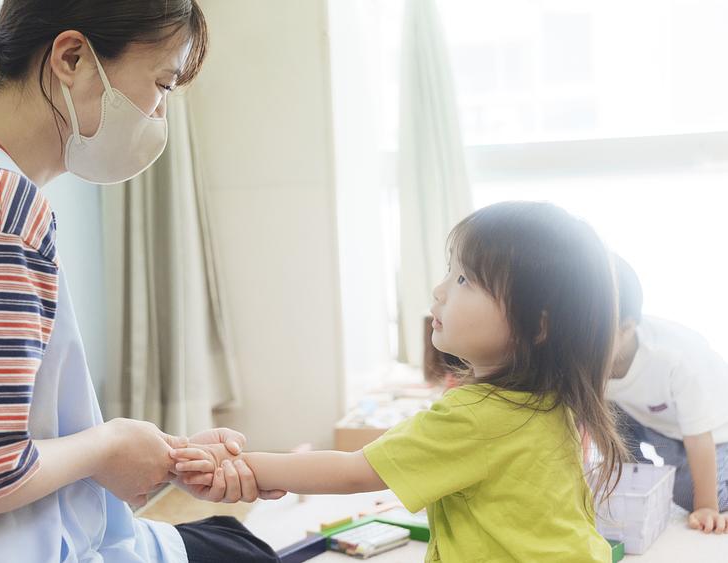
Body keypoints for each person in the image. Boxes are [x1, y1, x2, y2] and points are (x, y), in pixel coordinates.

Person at [0, 1, 282, 561]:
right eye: (162, 85)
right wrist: (109, 447)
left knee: (230, 539)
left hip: (25, 532)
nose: (158, 113)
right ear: (72, 57)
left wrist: (155, 455)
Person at [171, 201, 626, 562]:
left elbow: (356, 472)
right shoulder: (553, 400)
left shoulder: (476, 418)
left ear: (537, 327)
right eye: (451, 270)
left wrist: (243, 466)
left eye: (465, 278)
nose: (440, 289)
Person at [608, 255, 728, 534]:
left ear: (626, 329)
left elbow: (699, 439)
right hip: (653, 419)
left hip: (714, 434)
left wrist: (707, 506)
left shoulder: (674, 358)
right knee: (601, 411)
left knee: (689, 494)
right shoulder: (581, 353)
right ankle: (635, 479)